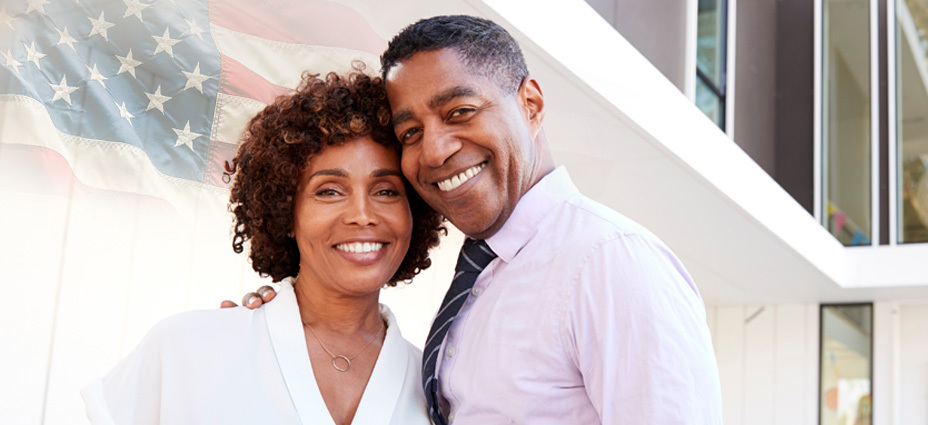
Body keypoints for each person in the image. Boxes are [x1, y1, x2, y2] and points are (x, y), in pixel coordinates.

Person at [246, 15, 723, 424]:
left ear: (531, 105)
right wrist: (273, 327)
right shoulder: (484, 278)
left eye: (461, 111)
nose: (435, 150)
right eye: (411, 132)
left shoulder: (610, 261)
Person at [82, 70, 444, 424]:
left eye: (386, 191)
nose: (362, 215)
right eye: (329, 191)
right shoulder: (186, 349)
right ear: (285, 210)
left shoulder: (442, 391)